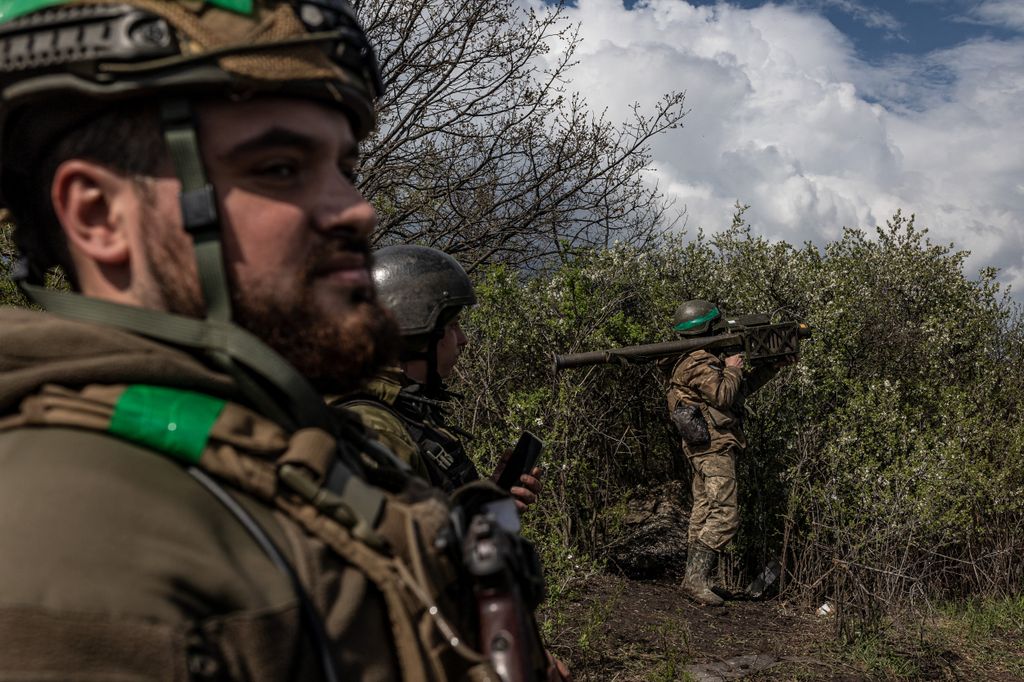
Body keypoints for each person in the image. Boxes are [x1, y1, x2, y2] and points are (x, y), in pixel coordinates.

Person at [0, 2, 506, 679]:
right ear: (99, 215)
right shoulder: (76, 541)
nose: (357, 209)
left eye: (343, 168)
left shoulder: (267, 443)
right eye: (278, 167)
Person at [336, 244, 542, 510]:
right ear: (416, 335)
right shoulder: (375, 430)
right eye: (452, 326)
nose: (463, 340)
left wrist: (488, 500)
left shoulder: (403, 411)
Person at [666, 300, 785, 606]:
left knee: (705, 509)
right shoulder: (696, 362)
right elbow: (723, 394)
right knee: (724, 513)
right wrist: (732, 368)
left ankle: (695, 579)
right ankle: (695, 580)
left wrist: (770, 368)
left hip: (709, 447)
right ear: (706, 327)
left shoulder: (698, 360)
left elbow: (738, 393)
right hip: (712, 448)